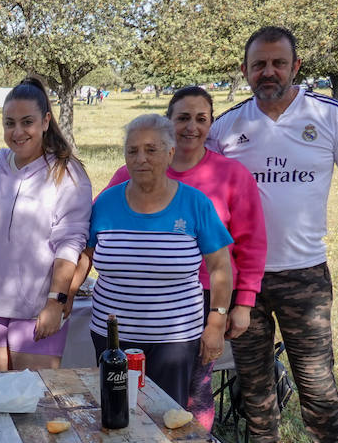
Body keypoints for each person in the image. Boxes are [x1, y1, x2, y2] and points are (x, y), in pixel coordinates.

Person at [209, 25, 338, 443]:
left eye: (278, 63)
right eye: (258, 64)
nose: (268, 72)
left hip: (304, 271)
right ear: (245, 71)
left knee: (315, 372)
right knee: (253, 368)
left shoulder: (331, 116)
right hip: (242, 276)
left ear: (295, 66)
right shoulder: (226, 127)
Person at [105, 86, 266, 430]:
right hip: (146, 302)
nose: (191, 126)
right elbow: (101, 231)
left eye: (201, 119)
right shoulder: (127, 174)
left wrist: (241, 304)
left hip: (205, 300)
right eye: (182, 118)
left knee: (194, 390)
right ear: (168, 123)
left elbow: (251, 244)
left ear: (211, 124)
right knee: (136, 390)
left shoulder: (231, 175)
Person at [83, 114, 233, 407]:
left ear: (170, 153)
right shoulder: (105, 203)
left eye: (151, 150)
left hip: (175, 339)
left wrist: (216, 320)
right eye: (133, 150)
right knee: (115, 411)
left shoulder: (195, 203)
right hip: (110, 335)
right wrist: (61, 298)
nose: (141, 159)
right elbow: (83, 257)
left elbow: (220, 268)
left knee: (167, 414)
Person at [0, 78, 92, 371]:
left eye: (27, 122)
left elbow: (70, 246)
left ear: (46, 121)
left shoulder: (67, 174)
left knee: (36, 401)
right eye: (9, 123)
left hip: (36, 311)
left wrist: (55, 303)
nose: (17, 132)